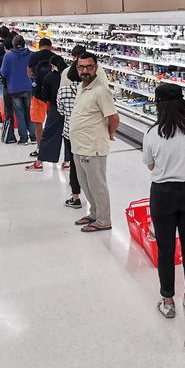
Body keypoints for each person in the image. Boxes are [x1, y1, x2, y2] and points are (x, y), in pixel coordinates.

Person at [143, 82, 185, 318]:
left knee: (166, 247)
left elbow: (150, 165)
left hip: (163, 194)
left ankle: (167, 300)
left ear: (159, 105)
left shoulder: (152, 133)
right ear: (182, 103)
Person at [68, 51, 119, 233]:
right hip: (79, 145)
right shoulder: (82, 87)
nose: (85, 70)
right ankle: (94, 213)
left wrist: (107, 134)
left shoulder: (101, 90)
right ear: (77, 68)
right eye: (81, 67)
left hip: (93, 146)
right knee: (85, 183)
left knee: (97, 185)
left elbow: (114, 118)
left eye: (89, 67)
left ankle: (104, 220)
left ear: (96, 68)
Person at [0, 35, 37, 145]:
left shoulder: (8, 55)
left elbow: (3, 72)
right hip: (28, 87)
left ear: (13, 44)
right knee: (30, 112)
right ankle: (34, 136)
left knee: (19, 113)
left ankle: (23, 138)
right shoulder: (31, 54)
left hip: (14, 88)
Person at [25, 38, 55, 170]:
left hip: (38, 93)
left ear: (39, 45)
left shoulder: (34, 56)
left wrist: (36, 79)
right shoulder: (55, 57)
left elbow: (29, 72)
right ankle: (53, 147)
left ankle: (39, 147)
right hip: (52, 95)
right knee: (52, 122)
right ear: (50, 46)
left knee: (38, 122)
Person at [57, 53, 83, 208]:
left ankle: (75, 197)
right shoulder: (89, 91)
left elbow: (60, 111)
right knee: (87, 165)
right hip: (86, 133)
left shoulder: (63, 91)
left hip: (69, 131)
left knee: (74, 165)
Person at [36, 54, 69, 169]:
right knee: (68, 135)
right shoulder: (69, 74)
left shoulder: (49, 77)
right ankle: (68, 161)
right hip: (71, 108)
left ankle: (40, 161)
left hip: (55, 108)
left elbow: (45, 96)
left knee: (49, 133)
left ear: (52, 65)